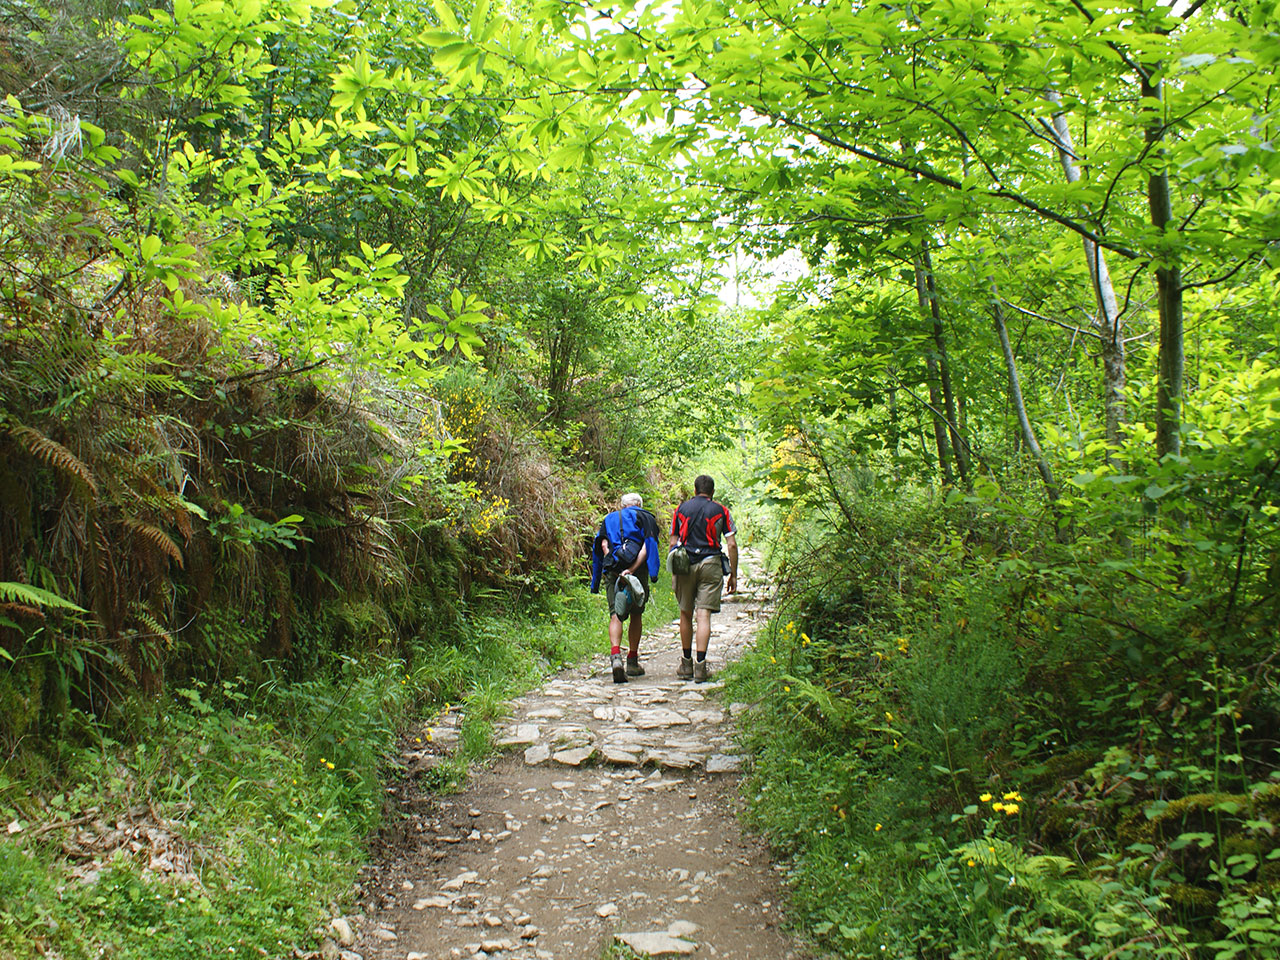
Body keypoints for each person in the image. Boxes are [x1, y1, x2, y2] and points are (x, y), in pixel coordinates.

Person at [669, 474, 738, 682]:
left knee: (685, 613)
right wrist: (733, 574)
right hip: (711, 562)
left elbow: (673, 542)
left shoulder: (680, 509)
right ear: (712, 492)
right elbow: (732, 544)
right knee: (703, 615)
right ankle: (701, 667)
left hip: (685, 564)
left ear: (694, 489)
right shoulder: (721, 510)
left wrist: (674, 572)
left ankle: (686, 664)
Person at [590, 492, 661, 683]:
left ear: (622, 505)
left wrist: (602, 576)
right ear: (639, 504)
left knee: (616, 614)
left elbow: (602, 545)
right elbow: (648, 547)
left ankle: (615, 658)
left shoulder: (609, 519)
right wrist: (636, 570)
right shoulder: (646, 517)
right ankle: (632, 661)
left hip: (613, 571)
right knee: (636, 614)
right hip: (636, 572)